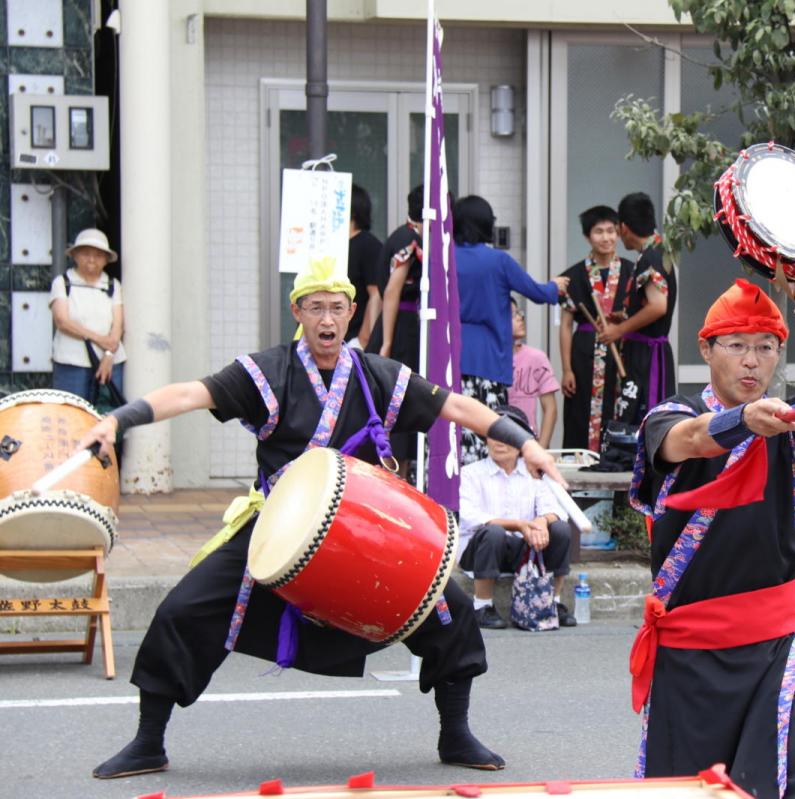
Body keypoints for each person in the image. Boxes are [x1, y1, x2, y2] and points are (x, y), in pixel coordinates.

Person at [79, 258, 567, 780]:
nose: (327, 319)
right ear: (298, 312)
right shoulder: (268, 372)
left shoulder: (375, 375)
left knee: (449, 607)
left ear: (353, 313)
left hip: (364, 530)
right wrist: (117, 419)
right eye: (316, 308)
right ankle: (148, 741)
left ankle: (455, 732)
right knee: (183, 609)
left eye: (337, 308)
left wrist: (528, 443)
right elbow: (188, 394)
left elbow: (458, 408)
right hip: (276, 526)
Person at [629, 274, 795, 799]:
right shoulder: (670, 416)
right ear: (707, 349)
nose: (753, 362)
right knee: (691, 790)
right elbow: (694, 438)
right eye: (738, 346)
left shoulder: (790, 428)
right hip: (692, 651)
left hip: (777, 640)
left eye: (766, 348)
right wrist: (743, 420)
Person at [455, 195, 568, 464]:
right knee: (489, 430)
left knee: (455, 427)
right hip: (489, 355)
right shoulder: (498, 261)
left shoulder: (443, 260)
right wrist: (555, 286)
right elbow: (537, 292)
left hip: (451, 355)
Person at [457, 405, 575, 630]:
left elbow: (557, 510)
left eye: (507, 437)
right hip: (481, 551)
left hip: (523, 550)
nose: (499, 442)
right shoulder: (471, 473)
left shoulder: (533, 473)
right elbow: (470, 517)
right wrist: (519, 525)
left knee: (559, 529)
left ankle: (553, 602)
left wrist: (540, 522)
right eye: (495, 437)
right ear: (486, 440)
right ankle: (482, 605)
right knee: (493, 531)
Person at [559, 205, 635, 451]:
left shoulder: (632, 272)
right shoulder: (573, 276)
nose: (606, 237)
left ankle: (619, 463)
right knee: (580, 411)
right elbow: (566, 324)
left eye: (611, 231)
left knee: (621, 407)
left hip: (622, 352)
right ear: (587, 236)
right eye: (599, 231)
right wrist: (566, 369)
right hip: (584, 355)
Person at [368, 185, 427, 480]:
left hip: (394, 327)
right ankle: (396, 479)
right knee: (397, 401)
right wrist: (387, 342)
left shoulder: (400, 234)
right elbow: (391, 292)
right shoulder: (410, 240)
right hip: (400, 329)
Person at [605, 192, 676, 427]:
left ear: (623, 227)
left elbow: (657, 306)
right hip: (645, 352)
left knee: (646, 421)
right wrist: (627, 316)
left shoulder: (650, 256)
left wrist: (619, 330)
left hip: (648, 357)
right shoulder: (657, 251)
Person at [49, 228, 127, 406]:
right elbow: (62, 321)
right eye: (86, 254)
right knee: (71, 416)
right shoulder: (62, 282)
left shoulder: (113, 285)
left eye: (98, 255)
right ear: (75, 255)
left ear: (106, 260)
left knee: (108, 416)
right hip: (71, 362)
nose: (92, 260)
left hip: (110, 362)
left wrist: (108, 354)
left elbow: (118, 325)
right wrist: (100, 339)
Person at [509, 298, 559, 448]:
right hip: (494, 445)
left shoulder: (536, 358)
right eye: (512, 314)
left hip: (527, 444)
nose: (520, 317)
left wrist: (541, 449)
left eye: (519, 313)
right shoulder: (487, 359)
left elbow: (550, 408)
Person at [345, 184, 384, 348]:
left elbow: (376, 294)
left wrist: (364, 339)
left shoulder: (368, 245)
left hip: (353, 341)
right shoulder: (331, 245)